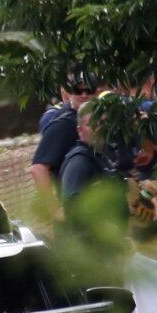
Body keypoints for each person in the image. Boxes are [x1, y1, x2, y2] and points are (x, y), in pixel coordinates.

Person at [29, 70, 102, 221]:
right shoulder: (63, 124)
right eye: (77, 90)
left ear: (98, 91)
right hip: (74, 203)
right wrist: (55, 211)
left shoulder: (99, 117)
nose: (84, 95)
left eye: (89, 89)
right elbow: (38, 169)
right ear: (68, 93)